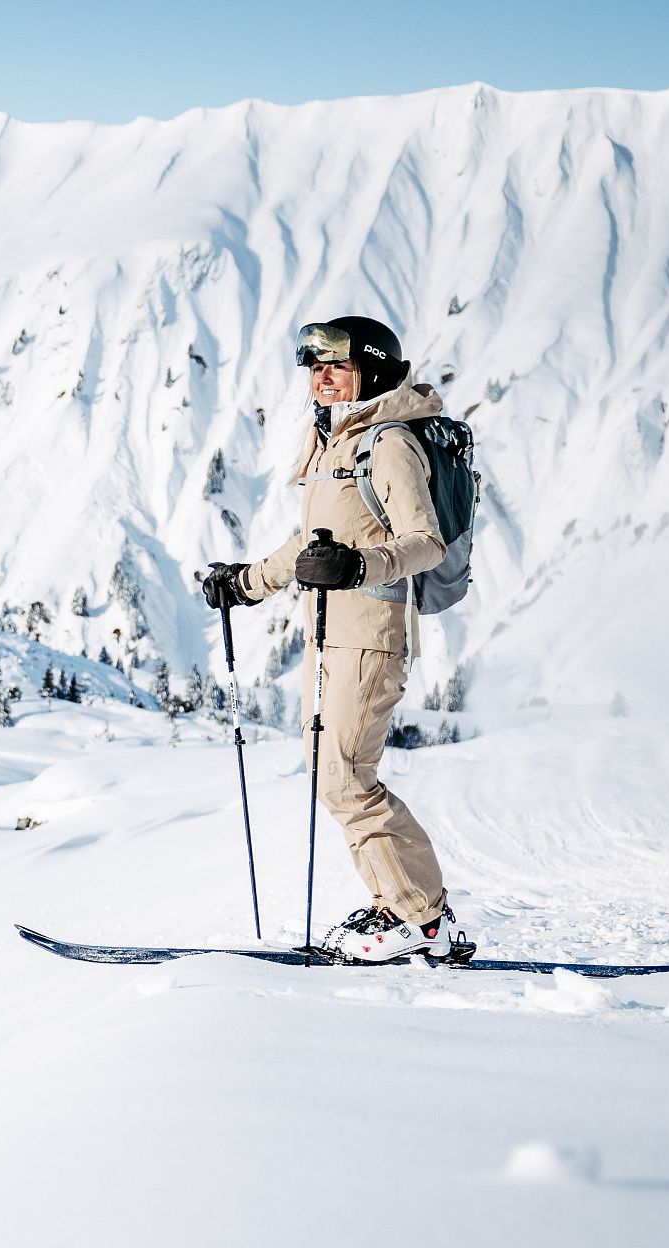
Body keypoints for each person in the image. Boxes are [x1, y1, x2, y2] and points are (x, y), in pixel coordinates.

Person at [200, 316, 462, 961]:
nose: (321, 377)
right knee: (333, 775)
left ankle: (422, 918)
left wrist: (358, 566)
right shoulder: (331, 444)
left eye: (337, 366)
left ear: (369, 371)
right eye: (313, 366)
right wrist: (248, 583)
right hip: (328, 634)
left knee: (345, 777)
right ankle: (398, 907)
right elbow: (312, 546)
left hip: (372, 632)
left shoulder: (389, 443)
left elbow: (424, 543)